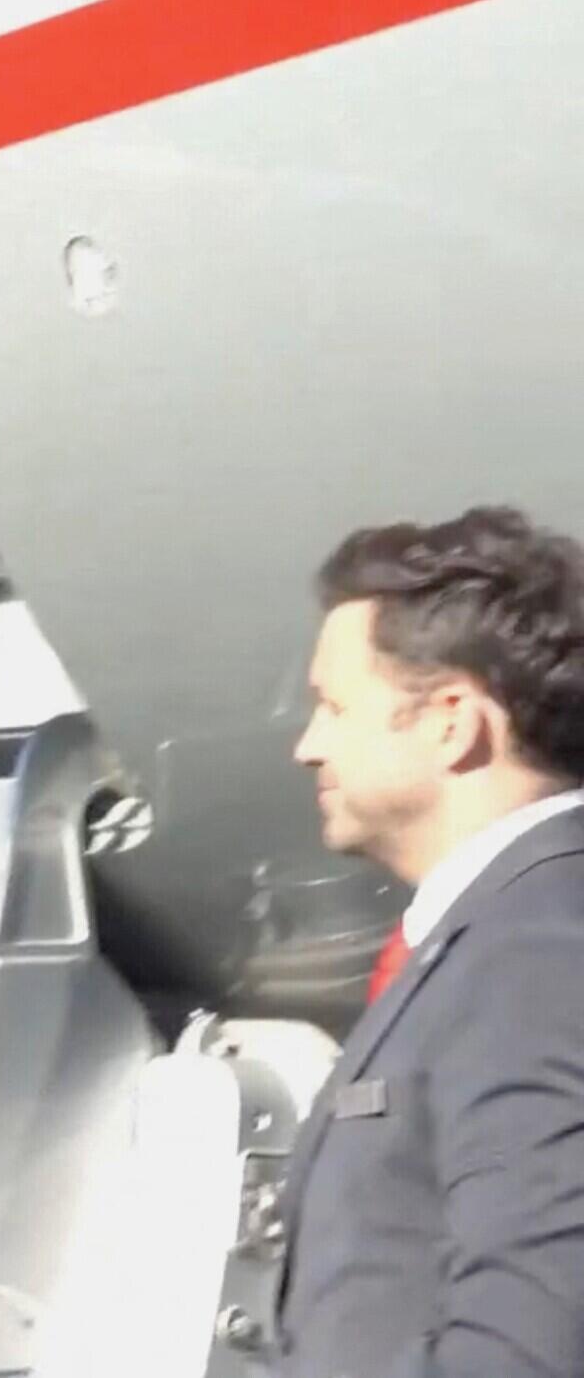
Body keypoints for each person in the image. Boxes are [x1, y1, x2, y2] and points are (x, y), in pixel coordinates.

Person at [279, 505, 584, 1377]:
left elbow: (536, 1330)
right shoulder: (496, 936)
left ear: (452, 719)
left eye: (335, 706)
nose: (309, 746)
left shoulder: (542, 947)